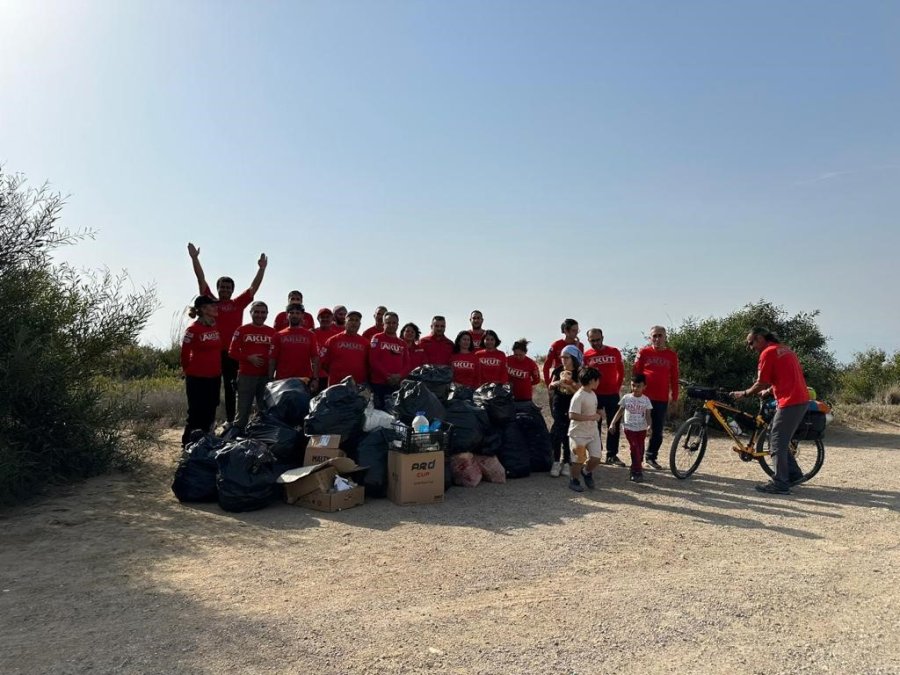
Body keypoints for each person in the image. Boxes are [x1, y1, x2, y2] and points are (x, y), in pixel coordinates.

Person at [187, 242, 267, 429]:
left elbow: (253, 288)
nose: (225, 289)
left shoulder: (237, 304)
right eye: (222, 287)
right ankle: (209, 424)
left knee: (233, 389)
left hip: (232, 353)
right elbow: (201, 279)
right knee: (212, 390)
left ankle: (231, 421)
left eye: (228, 287)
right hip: (212, 353)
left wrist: (261, 269)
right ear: (218, 288)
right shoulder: (211, 304)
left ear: (232, 289)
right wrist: (194, 258)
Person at [731, 327, 810, 494]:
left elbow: (761, 382)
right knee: (777, 438)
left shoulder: (767, 353)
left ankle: (780, 483)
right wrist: (768, 392)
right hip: (800, 399)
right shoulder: (785, 349)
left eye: (751, 343)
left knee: (776, 442)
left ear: (760, 338)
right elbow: (784, 377)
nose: (750, 347)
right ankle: (794, 474)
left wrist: (744, 393)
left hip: (790, 401)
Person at [633, 325, 679, 470]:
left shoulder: (671, 355)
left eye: (660, 335)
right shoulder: (643, 352)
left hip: (661, 398)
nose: (657, 339)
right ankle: (637, 458)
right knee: (640, 428)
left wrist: (675, 396)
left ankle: (651, 457)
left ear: (665, 337)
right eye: (654, 336)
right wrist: (634, 394)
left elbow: (675, 377)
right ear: (650, 337)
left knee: (657, 431)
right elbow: (636, 373)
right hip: (643, 398)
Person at [227, 301, 276, 433]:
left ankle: (263, 437)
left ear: (267, 314)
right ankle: (237, 436)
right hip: (246, 376)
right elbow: (232, 352)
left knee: (265, 410)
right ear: (251, 313)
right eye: (257, 312)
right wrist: (249, 358)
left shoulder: (272, 332)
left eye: (263, 312)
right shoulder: (242, 330)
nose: (260, 315)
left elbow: (277, 354)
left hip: (266, 377)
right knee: (243, 411)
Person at [180, 296, 222, 446]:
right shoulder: (193, 329)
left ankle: (205, 443)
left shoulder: (214, 326)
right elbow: (184, 353)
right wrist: (186, 370)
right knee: (196, 412)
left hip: (214, 376)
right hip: (197, 377)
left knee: (210, 409)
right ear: (203, 309)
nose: (216, 308)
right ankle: (188, 443)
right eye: (212, 306)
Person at [583, 328, 626, 466]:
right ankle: (596, 453)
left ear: (603, 337)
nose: (596, 342)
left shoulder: (614, 351)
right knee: (595, 424)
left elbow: (621, 371)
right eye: (592, 340)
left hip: (612, 395)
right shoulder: (587, 355)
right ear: (588, 340)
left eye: (598, 339)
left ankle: (612, 455)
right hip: (595, 396)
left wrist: (617, 387)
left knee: (614, 424)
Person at [609, 373, 654, 483]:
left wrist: (649, 426)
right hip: (629, 428)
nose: (635, 388)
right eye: (633, 385)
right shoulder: (626, 398)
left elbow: (648, 415)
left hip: (642, 429)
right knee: (634, 447)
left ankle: (636, 465)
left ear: (644, 387)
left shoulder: (646, 400)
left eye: (638, 386)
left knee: (640, 448)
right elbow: (620, 411)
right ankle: (636, 471)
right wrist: (612, 423)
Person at [269, 303, 320, 394]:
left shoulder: (310, 335)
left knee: (302, 407)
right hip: (282, 380)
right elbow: (273, 358)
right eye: (291, 313)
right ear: (287, 315)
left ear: (302, 316)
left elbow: (315, 358)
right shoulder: (278, 335)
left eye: (297, 313)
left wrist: (315, 379)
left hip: (304, 380)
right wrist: (270, 378)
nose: (294, 315)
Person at [568, 367, 604, 492]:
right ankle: (574, 480)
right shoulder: (578, 396)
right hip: (578, 433)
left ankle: (586, 472)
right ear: (591, 381)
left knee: (596, 458)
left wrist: (599, 413)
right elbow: (572, 415)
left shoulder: (593, 394)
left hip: (592, 432)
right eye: (597, 380)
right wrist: (591, 417)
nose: (599, 382)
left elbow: (593, 410)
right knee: (579, 459)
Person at [548, 345, 582, 477]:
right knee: (558, 432)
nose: (564, 360)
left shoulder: (579, 372)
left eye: (566, 357)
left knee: (569, 433)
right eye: (562, 357)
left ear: (573, 358)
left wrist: (571, 383)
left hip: (572, 406)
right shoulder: (558, 370)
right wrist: (558, 383)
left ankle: (567, 461)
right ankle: (556, 461)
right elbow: (551, 385)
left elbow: (580, 391)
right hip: (558, 404)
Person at [368, 311, 409, 409]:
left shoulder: (402, 343)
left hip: (396, 385)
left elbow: (407, 363)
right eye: (388, 323)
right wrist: (387, 376)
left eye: (394, 323)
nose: (391, 325)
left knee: (394, 415)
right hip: (378, 384)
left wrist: (399, 376)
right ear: (383, 324)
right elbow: (373, 360)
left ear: (398, 324)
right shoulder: (377, 338)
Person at [321, 310, 369, 386]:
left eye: (357, 320)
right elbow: (323, 362)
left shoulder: (366, 343)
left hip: (358, 386)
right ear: (345, 322)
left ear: (360, 324)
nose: (354, 323)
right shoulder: (332, 340)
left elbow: (368, 364)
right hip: (336, 386)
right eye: (351, 320)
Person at [542, 319, 584, 388]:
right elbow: (546, 366)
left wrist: (576, 348)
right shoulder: (556, 345)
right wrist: (548, 383)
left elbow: (580, 364)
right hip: (559, 378)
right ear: (566, 331)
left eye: (577, 330)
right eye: (573, 330)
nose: (576, 333)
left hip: (574, 380)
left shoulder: (580, 345)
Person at [313, 308, 342, 391]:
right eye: (322, 317)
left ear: (332, 318)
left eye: (327, 317)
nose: (325, 319)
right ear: (318, 319)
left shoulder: (337, 336)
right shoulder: (311, 333)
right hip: (314, 376)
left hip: (331, 376)